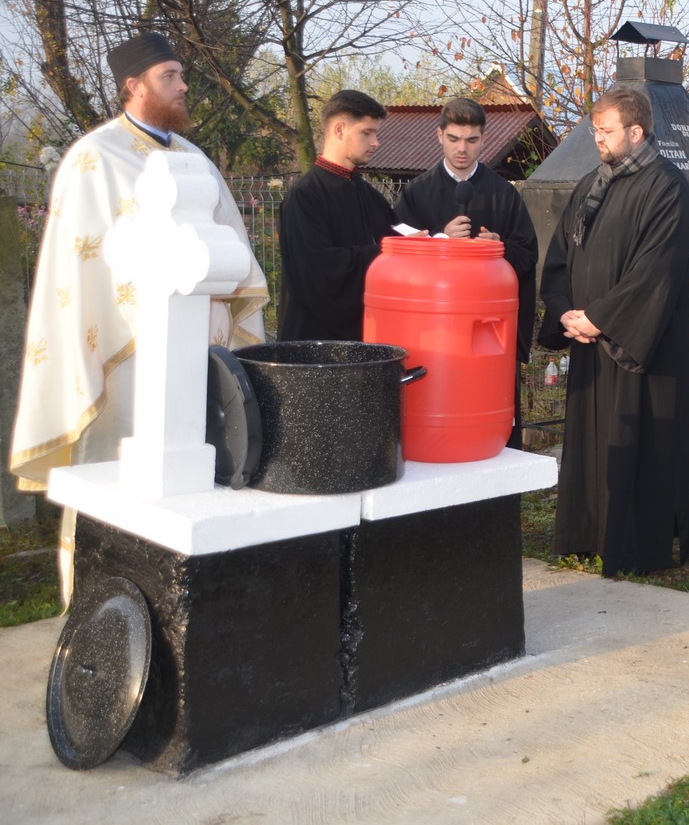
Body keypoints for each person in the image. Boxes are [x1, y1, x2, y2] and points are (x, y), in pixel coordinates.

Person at [10, 31, 269, 603]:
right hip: (129, 360)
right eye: (170, 77)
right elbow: (83, 271)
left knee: (198, 478)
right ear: (134, 86)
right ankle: (101, 604)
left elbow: (230, 251)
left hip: (199, 358)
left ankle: (188, 599)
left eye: (183, 76)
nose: (184, 87)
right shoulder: (94, 158)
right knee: (121, 478)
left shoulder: (193, 158)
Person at [537, 86, 689, 576]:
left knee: (644, 449)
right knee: (592, 448)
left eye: (605, 131)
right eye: (595, 131)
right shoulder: (593, 182)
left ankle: (637, 543)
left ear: (636, 131)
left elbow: (657, 271)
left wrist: (601, 318)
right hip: (590, 344)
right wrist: (566, 311)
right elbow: (563, 255)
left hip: (643, 348)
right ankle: (587, 533)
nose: (598, 140)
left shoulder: (669, 189)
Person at [395, 97, 539, 448]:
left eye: (471, 140)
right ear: (439, 136)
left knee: (490, 423)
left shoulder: (504, 194)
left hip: (488, 336)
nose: (463, 149)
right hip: (434, 333)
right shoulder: (417, 192)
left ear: (483, 140)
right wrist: (442, 240)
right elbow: (398, 256)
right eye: (455, 138)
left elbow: (528, 253)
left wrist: (499, 247)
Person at [278, 90, 399, 341]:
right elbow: (319, 274)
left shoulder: (371, 197)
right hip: (314, 348)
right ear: (340, 130)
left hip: (365, 341)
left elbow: (396, 246)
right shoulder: (304, 196)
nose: (376, 142)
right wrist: (388, 251)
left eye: (376, 133)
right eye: (367, 133)